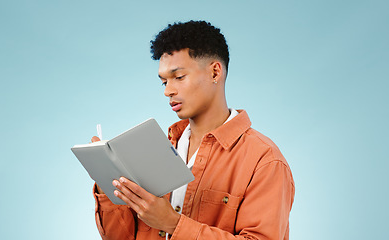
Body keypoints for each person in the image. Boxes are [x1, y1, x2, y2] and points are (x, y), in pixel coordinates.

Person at [91, 20, 295, 240]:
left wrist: (173, 223)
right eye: (163, 82)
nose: (168, 91)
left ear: (215, 72)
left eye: (178, 77)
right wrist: (107, 184)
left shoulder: (264, 161)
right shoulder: (157, 150)